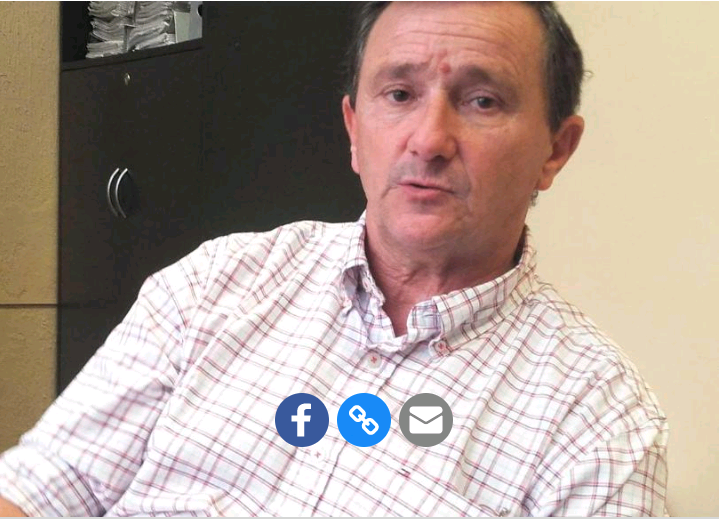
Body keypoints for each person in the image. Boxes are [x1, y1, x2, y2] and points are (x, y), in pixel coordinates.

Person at [0, 2, 668, 516]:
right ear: (353, 130)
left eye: (481, 100)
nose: (429, 139)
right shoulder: (215, 283)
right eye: (399, 94)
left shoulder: (598, 418)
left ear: (556, 150)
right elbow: (41, 489)